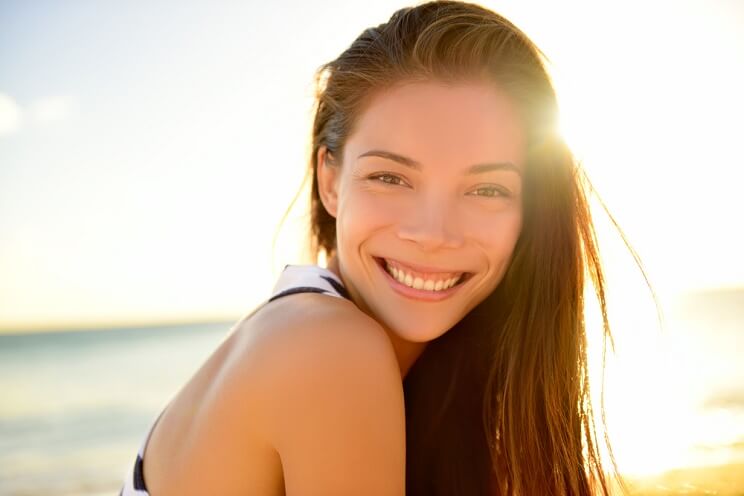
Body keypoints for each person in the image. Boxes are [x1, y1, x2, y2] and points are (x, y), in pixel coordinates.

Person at [120, 1, 641, 494]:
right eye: (390, 177)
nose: (434, 233)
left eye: (486, 189)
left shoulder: (347, 345)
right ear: (329, 180)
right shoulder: (330, 349)